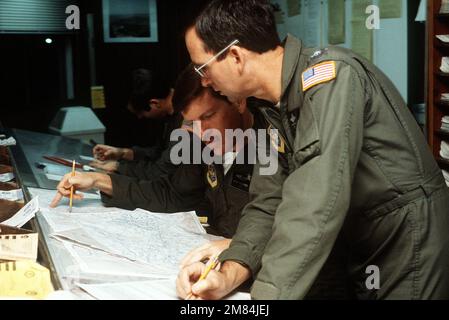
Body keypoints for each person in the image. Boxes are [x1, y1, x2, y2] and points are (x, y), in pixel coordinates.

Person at [177, 0, 449, 300]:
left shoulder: (330, 79)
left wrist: (263, 300)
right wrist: (228, 273)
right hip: (361, 241)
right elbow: (268, 202)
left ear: (236, 56)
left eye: (203, 67)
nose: (204, 79)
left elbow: (313, 203)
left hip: (405, 238)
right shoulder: (270, 109)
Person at [50, 66, 256, 239]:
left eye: (208, 116)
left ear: (237, 100)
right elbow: (174, 193)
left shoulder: (269, 149)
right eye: (191, 123)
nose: (200, 133)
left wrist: (234, 254)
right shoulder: (197, 143)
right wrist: (99, 180)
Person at [91, 68, 182, 178]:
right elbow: (159, 154)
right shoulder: (169, 115)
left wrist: (117, 166)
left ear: (154, 103)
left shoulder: (185, 121)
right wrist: (123, 152)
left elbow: (163, 169)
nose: (140, 117)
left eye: (140, 112)